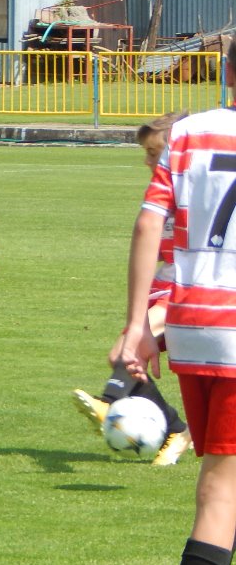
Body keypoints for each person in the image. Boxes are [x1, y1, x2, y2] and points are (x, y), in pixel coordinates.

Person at [118, 40, 236, 565]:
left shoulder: (189, 132)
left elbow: (148, 225)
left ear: (227, 71)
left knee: (222, 482)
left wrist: (139, 325)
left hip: (193, 325)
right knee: (222, 489)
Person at [72, 112, 192, 466]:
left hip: (190, 289)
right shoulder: (161, 192)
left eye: (154, 153)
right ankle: (176, 429)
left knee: (127, 352)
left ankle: (110, 401)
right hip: (165, 286)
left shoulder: (198, 188)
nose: (148, 161)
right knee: (121, 356)